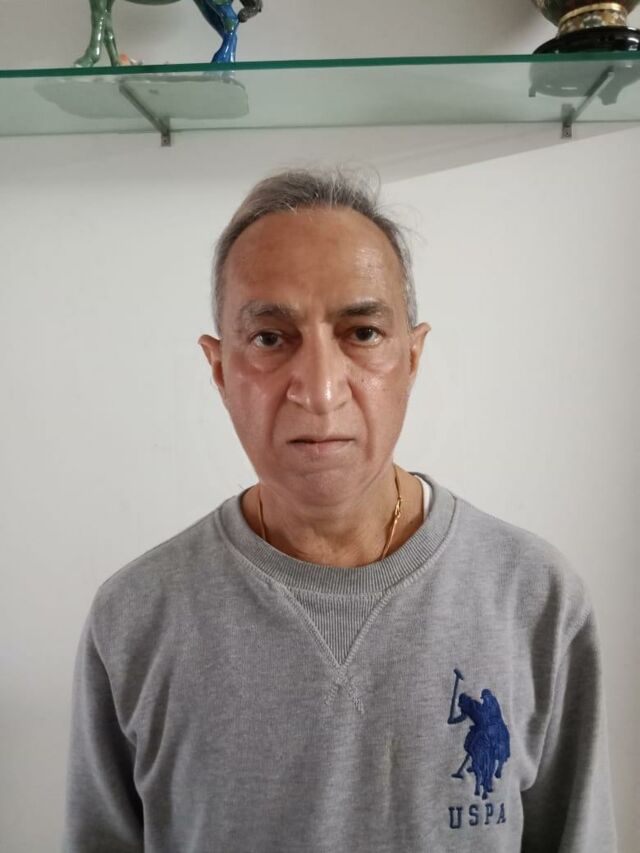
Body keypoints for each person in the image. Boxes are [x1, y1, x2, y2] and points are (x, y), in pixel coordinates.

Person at [61, 167, 617, 852]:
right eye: (271, 338)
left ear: (412, 356)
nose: (320, 391)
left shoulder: (532, 597)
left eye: (362, 332)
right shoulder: (135, 618)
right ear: (219, 368)